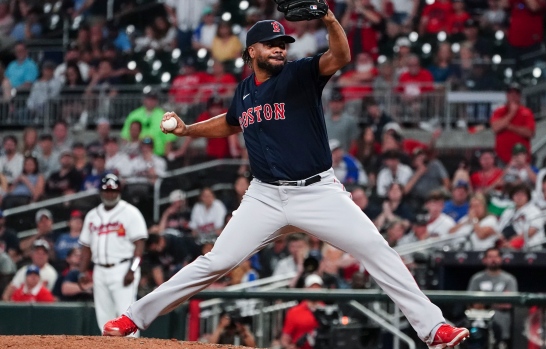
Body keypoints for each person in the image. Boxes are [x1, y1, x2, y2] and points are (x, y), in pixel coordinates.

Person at [103, 16, 469, 347]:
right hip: (264, 195)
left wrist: (327, 18)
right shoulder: (245, 90)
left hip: (316, 190)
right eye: (272, 44)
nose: (281, 48)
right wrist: (187, 131)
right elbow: (232, 121)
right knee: (215, 261)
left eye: (284, 44)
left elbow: (339, 56)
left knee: (376, 249)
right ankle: (134, 318)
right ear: (251, 51)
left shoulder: (300, 74)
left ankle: (433, 328)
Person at [78, 174, 148, 334]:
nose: (110, 194)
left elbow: (140, 244)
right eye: (107, 191)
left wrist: (132, 269)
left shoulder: (131, 212)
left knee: (127, 317)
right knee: (104, 319)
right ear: (101, 192)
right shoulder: (92, 215)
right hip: (99, 271)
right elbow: (86, 247)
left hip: (123, 268)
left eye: (113, 191)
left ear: (119, 191)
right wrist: (82, 271)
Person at [467, 247, 518, 347]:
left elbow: (508, 304)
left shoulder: (509, 279)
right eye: (490, 257)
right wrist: (498, 301)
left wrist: (484, 302)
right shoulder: (476, 279)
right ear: (484, 260)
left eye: (496, 256)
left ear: (501, 259)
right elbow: (471, 303)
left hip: (502, 326)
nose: (493, 260)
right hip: (479, 324)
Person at [490, 83, 536, 165]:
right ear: (507, 95)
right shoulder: (499, 111)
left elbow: (529, 133)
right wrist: (511, 113)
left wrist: (508, 126)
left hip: (522, 159)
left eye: (516, 94)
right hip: (502, 158)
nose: (513, 96)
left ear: (520, 96)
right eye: (511, 94)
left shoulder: (527, 112)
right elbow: (495, 128)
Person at [497, 183, 545, 250]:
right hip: (508, 246)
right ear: (512, 197)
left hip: (530, 247)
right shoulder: (507, 212)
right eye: (516, 195)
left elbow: (531, 231)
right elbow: (499, 230)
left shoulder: (535, 211)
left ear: (527, 197)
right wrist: (504, 241)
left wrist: (512, 242)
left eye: (522, 195)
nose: (519, 197)